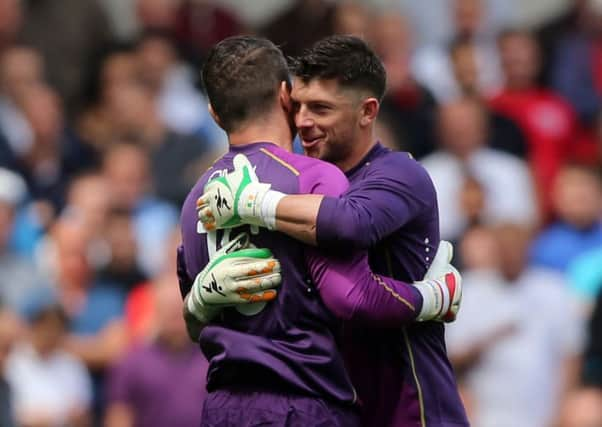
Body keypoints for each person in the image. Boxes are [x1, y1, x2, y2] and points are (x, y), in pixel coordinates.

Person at [180, 35, 462, 426]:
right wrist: (198, 302)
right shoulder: (301, 179)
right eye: (299, 105)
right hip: (329, 404)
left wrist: (253, 203)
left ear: (367, 112)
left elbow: (348, 222)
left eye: (321, 108)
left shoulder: (398, 174)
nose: (303, 121)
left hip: (410, 408)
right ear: (284, 96)